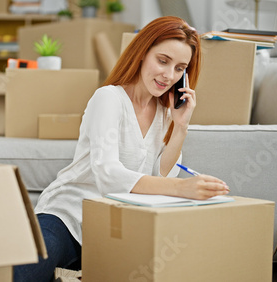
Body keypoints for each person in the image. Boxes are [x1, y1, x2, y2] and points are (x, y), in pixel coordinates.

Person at [14, 16, 230, 282]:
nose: (169, 75)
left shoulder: (165, 113)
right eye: (162, 61)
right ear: (141, 54)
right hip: (68, 217)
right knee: (24, 271)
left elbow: (161, 178)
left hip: (116, 226)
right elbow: (108, 175)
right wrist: (182, 189)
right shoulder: (109, 98)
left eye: (179, 68)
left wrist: (181, 126)